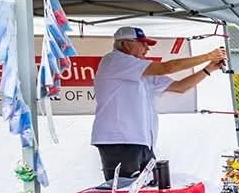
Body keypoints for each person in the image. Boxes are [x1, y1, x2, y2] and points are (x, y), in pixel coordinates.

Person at [91, 26, 227, 180]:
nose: (147, 48)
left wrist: (208, 69)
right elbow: (167, 67)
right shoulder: (114, 60)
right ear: (126, 44)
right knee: (123, 192)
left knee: (144, 191)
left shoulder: (140, 68)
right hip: (119, 139)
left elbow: (180, 87)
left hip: (141, 141)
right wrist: (208, 56)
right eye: (143, 43)